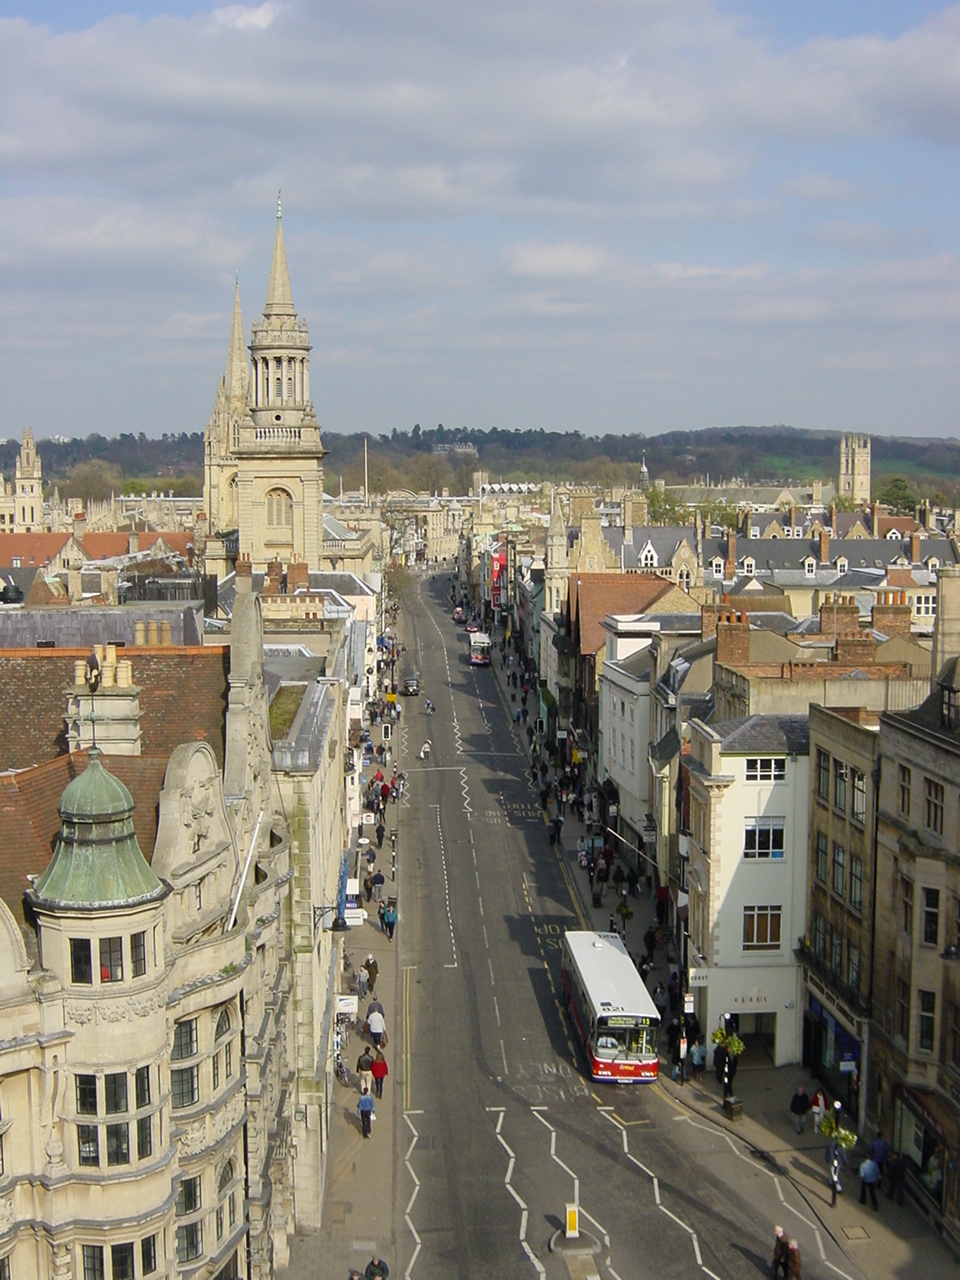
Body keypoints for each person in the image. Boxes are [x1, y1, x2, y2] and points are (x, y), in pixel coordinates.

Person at [826, 1138, 846, 1207]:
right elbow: (843, 1154)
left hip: (834, 1162)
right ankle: (832, 1182)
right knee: (834, 1173)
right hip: (838, 1162)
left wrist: (826, 1158)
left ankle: (838, 1188)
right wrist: (845, 1161)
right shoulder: (840, 1146)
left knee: (834, 1174)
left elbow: (828, 1152)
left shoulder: (831, 1145)